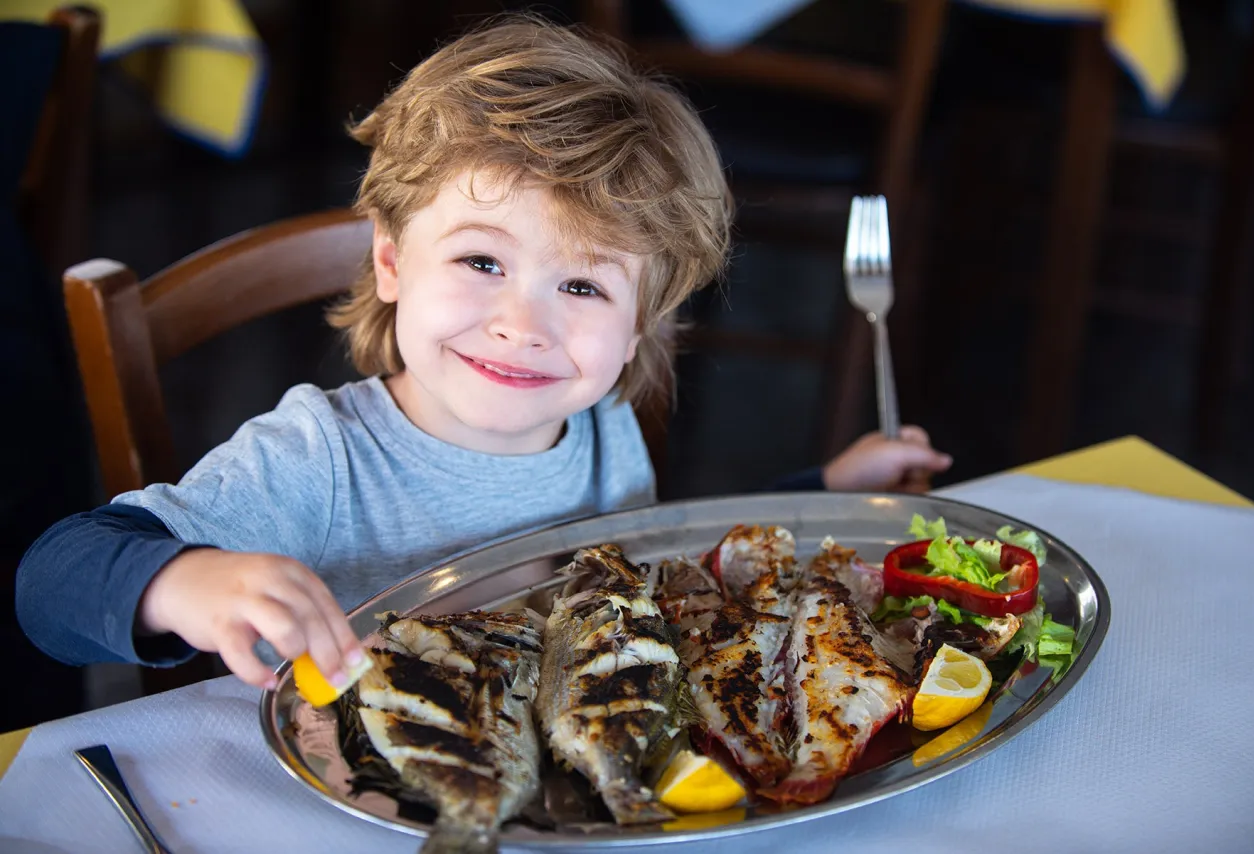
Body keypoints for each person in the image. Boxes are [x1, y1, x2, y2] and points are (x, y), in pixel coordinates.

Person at [15, 15, 952, 694]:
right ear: (390, 261)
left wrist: (826, 482)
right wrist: (184, 581)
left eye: (582, 286)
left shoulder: (601, 423)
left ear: (641, 324)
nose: (522, 323)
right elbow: (49, 582)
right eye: (479, 260)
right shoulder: (315, 464)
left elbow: (673, 545)